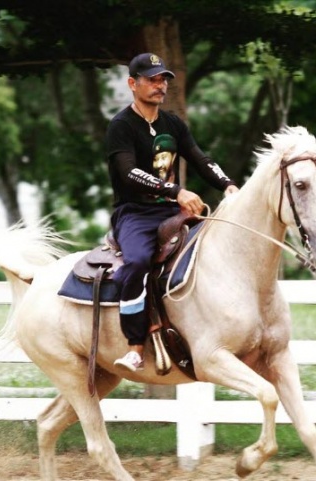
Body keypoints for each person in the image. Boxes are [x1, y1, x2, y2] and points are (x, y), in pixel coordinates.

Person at [106, 52, 240, 372]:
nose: (160, 85)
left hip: (172, 213)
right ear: (132, 84)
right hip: (135, 214)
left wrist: (229, 185)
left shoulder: (173, 124)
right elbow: (128, 172)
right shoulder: (121, 126)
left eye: (163, 79)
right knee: (137, 262)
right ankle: (135, 346)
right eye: (152, 79)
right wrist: (176, 191)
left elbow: (200, 159)